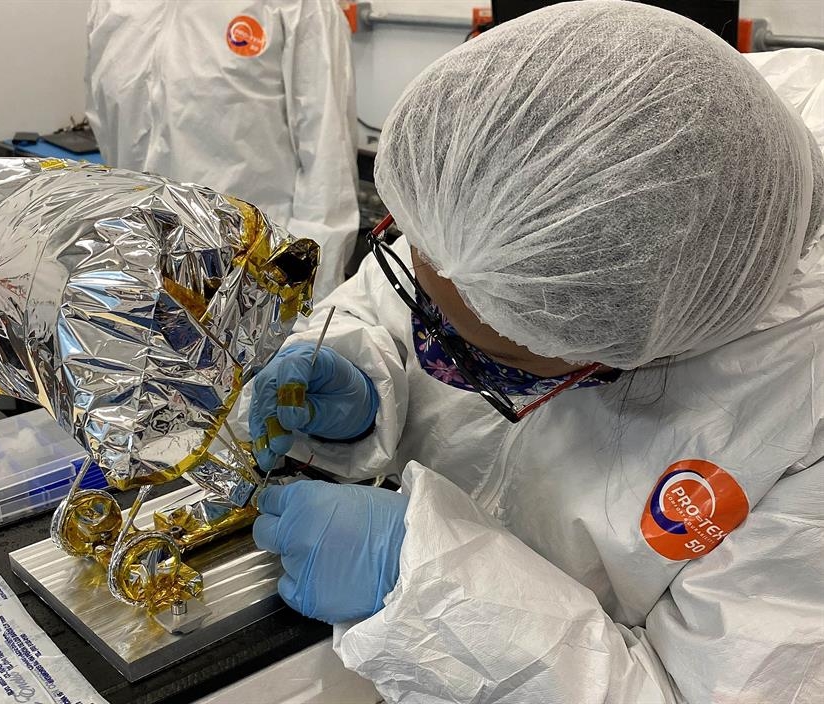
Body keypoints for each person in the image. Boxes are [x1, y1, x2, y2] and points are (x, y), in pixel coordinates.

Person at [246, 2, 824, 703]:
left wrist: (425, 585)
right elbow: (426, 287)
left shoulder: (797, 409)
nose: (433, 347)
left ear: (632, 360)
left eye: (477, 362)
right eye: (423, 304)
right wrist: (365, 368)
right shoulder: (558, 140)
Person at [85, 0, 359, 298]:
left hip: (252, 285)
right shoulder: (110, 7)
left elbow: (328, 167)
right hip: (144, 274)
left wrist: (301, 308)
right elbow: (108, 133)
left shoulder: (299, 7)